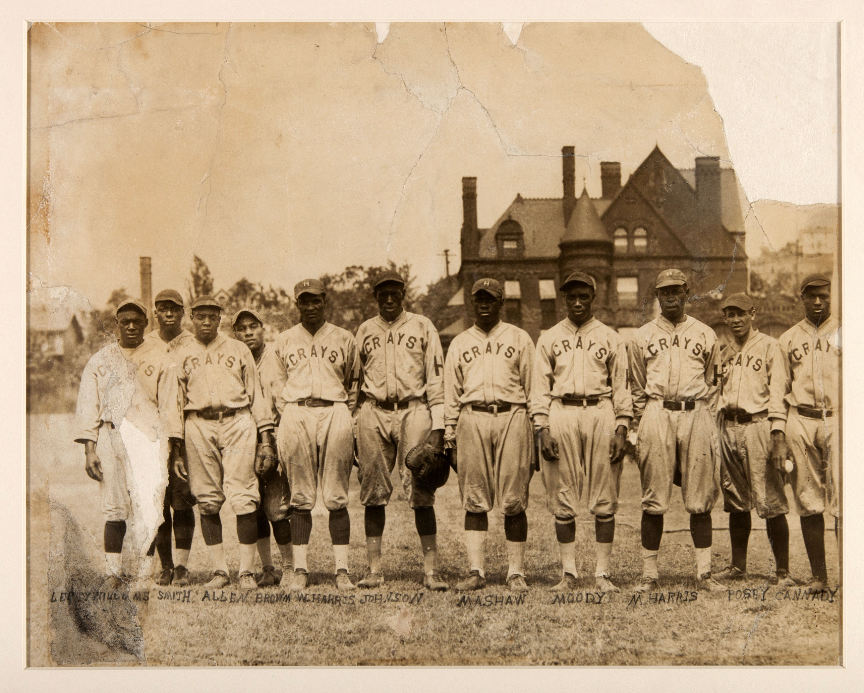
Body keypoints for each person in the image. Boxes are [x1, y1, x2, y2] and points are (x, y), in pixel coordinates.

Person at [533, 271, 632, 593]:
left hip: (601, 411)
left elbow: (621, 386)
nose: (577, 302)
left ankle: (602, 573)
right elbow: (539, 387)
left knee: (605, 495)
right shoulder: (548, 337)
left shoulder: (610, 336)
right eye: (571, 297)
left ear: (593, 298)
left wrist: (621, 427)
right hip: (562, 411)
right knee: (562, 494)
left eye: (583, 296)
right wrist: (542, 427)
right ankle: (569, 573)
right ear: (564, 299)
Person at [74, 298, 183, 590]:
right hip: (111, 435)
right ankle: (113, 571)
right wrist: (89, 449)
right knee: (114, 506)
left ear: (146, 324)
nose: (132, 326)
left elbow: (171, 405)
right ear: (116, 325)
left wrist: (173, 447)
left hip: (148, 436)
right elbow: (88, 405)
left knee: (147, 506)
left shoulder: (161, 355)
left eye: (137, 321)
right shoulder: (101, 359)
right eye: (126, 321)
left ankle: (146, 572)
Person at [626, 269, 724, 592]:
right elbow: (638, 386)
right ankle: (649, 574)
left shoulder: (706, 333)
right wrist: (641, 423)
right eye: (663, 292)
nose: (669, 297)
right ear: (657, 296)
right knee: (654, 497)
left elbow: (713, 382)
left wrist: (705, 417)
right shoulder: (641, 336)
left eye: (675, 291)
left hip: (696, 411)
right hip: (657, 410)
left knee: (699, 497)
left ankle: (704, 573)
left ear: (686, 293)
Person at [173, 296, 277, 590]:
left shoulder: (238, 348)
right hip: (197, 423)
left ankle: (245, 571)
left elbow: (256, 395)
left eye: (212, 316)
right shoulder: (180, 352)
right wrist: (177, 447)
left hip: (237, 420)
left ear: (220, 319)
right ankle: (219, 570)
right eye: (200, 316)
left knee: (244, 495)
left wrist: (266, 437)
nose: (206, 322)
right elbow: (174, 401)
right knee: (206, 499)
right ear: (192, 318)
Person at [354, 270, 448, 591]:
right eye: (383, 293)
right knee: (372, 493)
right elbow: (355, 383)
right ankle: (374, 570)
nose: (389, 298)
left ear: (404, 293)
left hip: (414, 408)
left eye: (395, 292)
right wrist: (356, 424)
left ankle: (431, 571)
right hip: (374, 410)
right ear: (376, 296)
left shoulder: (423, 326)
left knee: (422, 490)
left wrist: (438, 428)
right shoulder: (365, 330)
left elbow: (436, 379)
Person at [443, 278, 539, 592]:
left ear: (501, 303)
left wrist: (537, 430)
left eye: (490, 299)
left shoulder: (520, 337)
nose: (484, 304)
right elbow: (451, 394)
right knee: (474, 498)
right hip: (471, 417)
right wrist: (449, 435)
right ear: (472, 302)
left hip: (512, 414)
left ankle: (515, 572)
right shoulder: (459, 342)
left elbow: (533, 388)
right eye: (479, 299)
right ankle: (476, 570)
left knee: (514, 499)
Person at [272, 279, 359, 591]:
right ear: (297, 304)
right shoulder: (282, 340)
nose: (310, 307)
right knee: (300, 495)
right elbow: (276, 385)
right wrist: (287, 415)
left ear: (325, 302)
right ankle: (299, 568)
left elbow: (353, 383)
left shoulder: (345, 337)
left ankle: (342, 569)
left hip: (335, 409)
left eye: (316, 301)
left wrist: (347, 415)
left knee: (337, 494)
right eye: (304, 301)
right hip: (296, 410)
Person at [714, 293, 796, 586]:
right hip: (729, 426)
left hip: (758, 424)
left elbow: (778, 393)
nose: (735, 320)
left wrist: (777, 434)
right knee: (736, 499)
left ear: (753, 314)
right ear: (724, 318)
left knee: (770, 498)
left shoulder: (770, 347)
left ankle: (783, 572)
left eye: (741, 314)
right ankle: (738, 566)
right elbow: (714, 391)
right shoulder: (721, 350)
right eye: (730, 315)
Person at [771, 274, 840, 590]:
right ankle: (819, 577)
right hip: (800, 418)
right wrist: (778, 434)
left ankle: (851, 577)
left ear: (830, 297)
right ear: (802, 298)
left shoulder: (846, 332)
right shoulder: (787, 339)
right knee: (808, 498)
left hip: (840, 418)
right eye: (811, 296)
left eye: (823, 296)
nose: (817, 302)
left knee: (847, 498)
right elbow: (778, 390)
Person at [232, 308, 293, 587]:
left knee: (277, 507)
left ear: (262, 328)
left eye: (253, 326)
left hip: (276, 433)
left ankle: (290, 567)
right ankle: (268, 568)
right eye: (242, 328)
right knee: (252, 506)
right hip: (243, 437)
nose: (248, 332)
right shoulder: (234, 359)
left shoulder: (276, 356)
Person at [145, 289, 197, 587]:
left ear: (181, 312)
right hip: (154, 433)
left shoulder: (191, 343)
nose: (168, 313)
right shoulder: (146, 343)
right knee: (158, 503)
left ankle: (183, 566)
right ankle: (165, 566)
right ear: (155, 312)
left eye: (173, 309)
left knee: (183, 501)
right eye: (162, 308)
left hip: (187, 430)